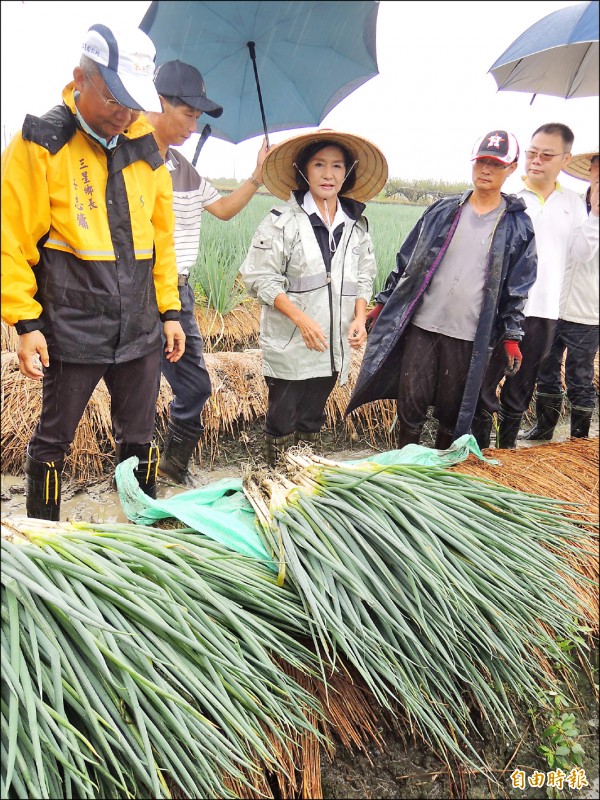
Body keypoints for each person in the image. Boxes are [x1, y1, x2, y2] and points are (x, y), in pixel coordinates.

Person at [0, 24, 185, 520]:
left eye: (133, 104)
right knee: (54, 439)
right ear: (79, 78)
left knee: (141, 436)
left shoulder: (144, 147)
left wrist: (170, 311)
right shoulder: (42, 141)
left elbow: (160, 240)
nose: (124, 115)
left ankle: (139, 531)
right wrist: (25, 324)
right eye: (113, 100)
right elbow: (9, 239)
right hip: (72, 325)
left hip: (142, 327)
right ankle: (44, 538)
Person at [345, 130, 537, 451]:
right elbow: (408, 260)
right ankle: (407, 466)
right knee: (411, 403)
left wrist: (512, 335)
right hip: (424, 327)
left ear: (512, 168)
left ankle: (441, 472)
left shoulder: (516, 226)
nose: (486, 169)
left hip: (467, 335)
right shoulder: (443, 211)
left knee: (453, 411)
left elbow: (518, 287)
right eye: (481, 161)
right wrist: (383, 303)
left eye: (496, 164)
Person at [145, 60, 268, 485]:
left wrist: (256, 175)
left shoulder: (184, 168)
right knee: (136, 390)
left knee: (195, 385)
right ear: (160, 103)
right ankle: (136, 475)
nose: (193, 126)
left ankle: (170, 467)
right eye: (189, 115)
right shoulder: (125, 156)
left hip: (178, 292)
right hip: (135, 291)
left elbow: (223, 211)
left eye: (198, 118)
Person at [239, 129, 386, 465]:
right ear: (304, 171)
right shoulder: (282, 221)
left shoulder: (356, 225)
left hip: (333, 343)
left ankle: (306, 478)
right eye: (319, 164)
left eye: (336, 166)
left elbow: (364, 277)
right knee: (282, 416)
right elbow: (260, 277)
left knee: (313, 415)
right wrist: (300, 319)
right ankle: (275, 476)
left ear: (347, 173)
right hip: (292, 339)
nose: (328, 174)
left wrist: (360, 318)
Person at [475, 123, 599, 449]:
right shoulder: (510, 198)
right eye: (532, 153)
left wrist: (596, 216)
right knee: (484, 384)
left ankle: (506, 452)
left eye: (546, 155)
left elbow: (582, 254)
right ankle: (477, 451)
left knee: (521, 388)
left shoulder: (573, 204)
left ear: (565, 158)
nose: (537, 161)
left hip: (545, 311)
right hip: (502, 311)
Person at [523, 147, 599, 441]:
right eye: (595, 172)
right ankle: (544, 429)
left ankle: (578, 441)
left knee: (580, 376)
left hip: (588, 312)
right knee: (546, 368)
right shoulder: (574, 207)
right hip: (552, 307)